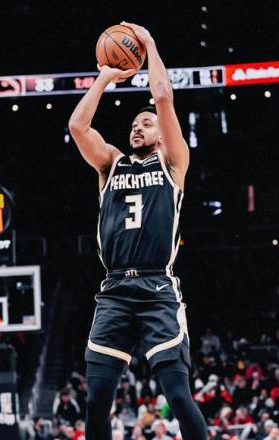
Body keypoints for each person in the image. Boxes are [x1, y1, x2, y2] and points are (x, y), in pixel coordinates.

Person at [69, 22, 207, 440]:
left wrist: (148, 44)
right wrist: (105, 77)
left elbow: (162, 96)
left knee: (178, 396)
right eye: (134, 123)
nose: (137, 127)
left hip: (157, 287)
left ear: (163, 135)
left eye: (146, 123)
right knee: (96, 400)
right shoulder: (110, 163)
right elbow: (78, 127)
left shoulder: (173, 163)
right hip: (114, 289)